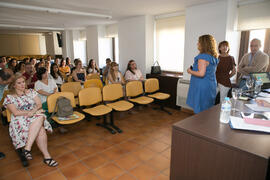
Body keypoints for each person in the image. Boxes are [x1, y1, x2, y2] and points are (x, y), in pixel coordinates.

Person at [4, 75, 58, 167]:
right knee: (40, 121)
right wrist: (31, 112)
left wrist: (33, 112)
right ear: (13, 85)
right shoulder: (10, 97)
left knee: (40, 120)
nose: (22, 84)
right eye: (19, 83)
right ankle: (46, 157)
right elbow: (16, 113)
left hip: (34, 116)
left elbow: (39, 104)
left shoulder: (31, 92)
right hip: (20, 120)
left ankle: (28, 149)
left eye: (23, 82)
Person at [186, 34, 219, 114]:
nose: (197, 44)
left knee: (200, 109)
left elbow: (201, 74)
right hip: (210, 84)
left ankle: (199, 125)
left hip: (202, 86)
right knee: (207, 109)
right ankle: (205, 125)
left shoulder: (203, 57)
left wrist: (190, 71)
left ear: (203, 44)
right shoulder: (213, 57)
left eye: (199, 42)